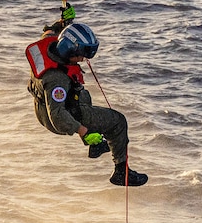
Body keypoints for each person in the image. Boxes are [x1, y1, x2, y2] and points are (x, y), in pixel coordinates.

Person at [26, 18, 148, 187]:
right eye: (81, 55)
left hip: (39, 107)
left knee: (84, 95)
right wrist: (83, 131)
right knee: (118, 121)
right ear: (70, 51)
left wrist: (63, 21)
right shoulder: (56, 80)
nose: (83, 59)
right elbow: (57, 115)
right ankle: (121, 172)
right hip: (52, 117)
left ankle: (96, 147)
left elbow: (51, 31)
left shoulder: (48, 44)